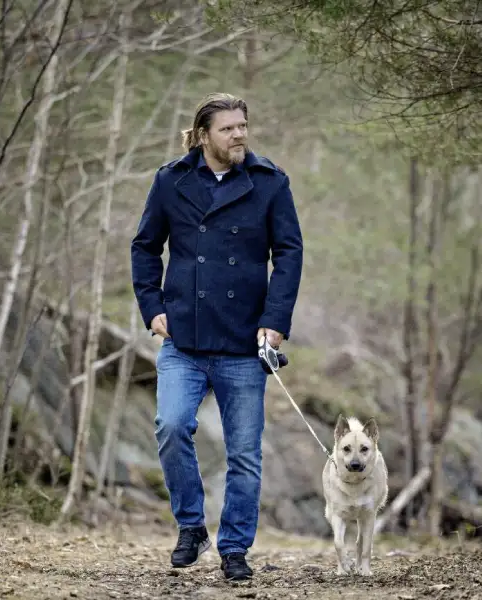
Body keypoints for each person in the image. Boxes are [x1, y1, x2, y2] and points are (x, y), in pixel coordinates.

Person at [131, 92, 303, 581]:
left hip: (246, 342)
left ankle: (234, 549)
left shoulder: (270, 183)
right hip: (183, 336)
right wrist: (152, 307)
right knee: (170, 426)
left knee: (244, 454)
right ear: (204, 135)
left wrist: (276, 321)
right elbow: (145, 247)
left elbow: (288, 254)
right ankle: (191, 526)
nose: (239, 135)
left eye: (243, 126)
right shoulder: (171, 180)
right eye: (228, 129)